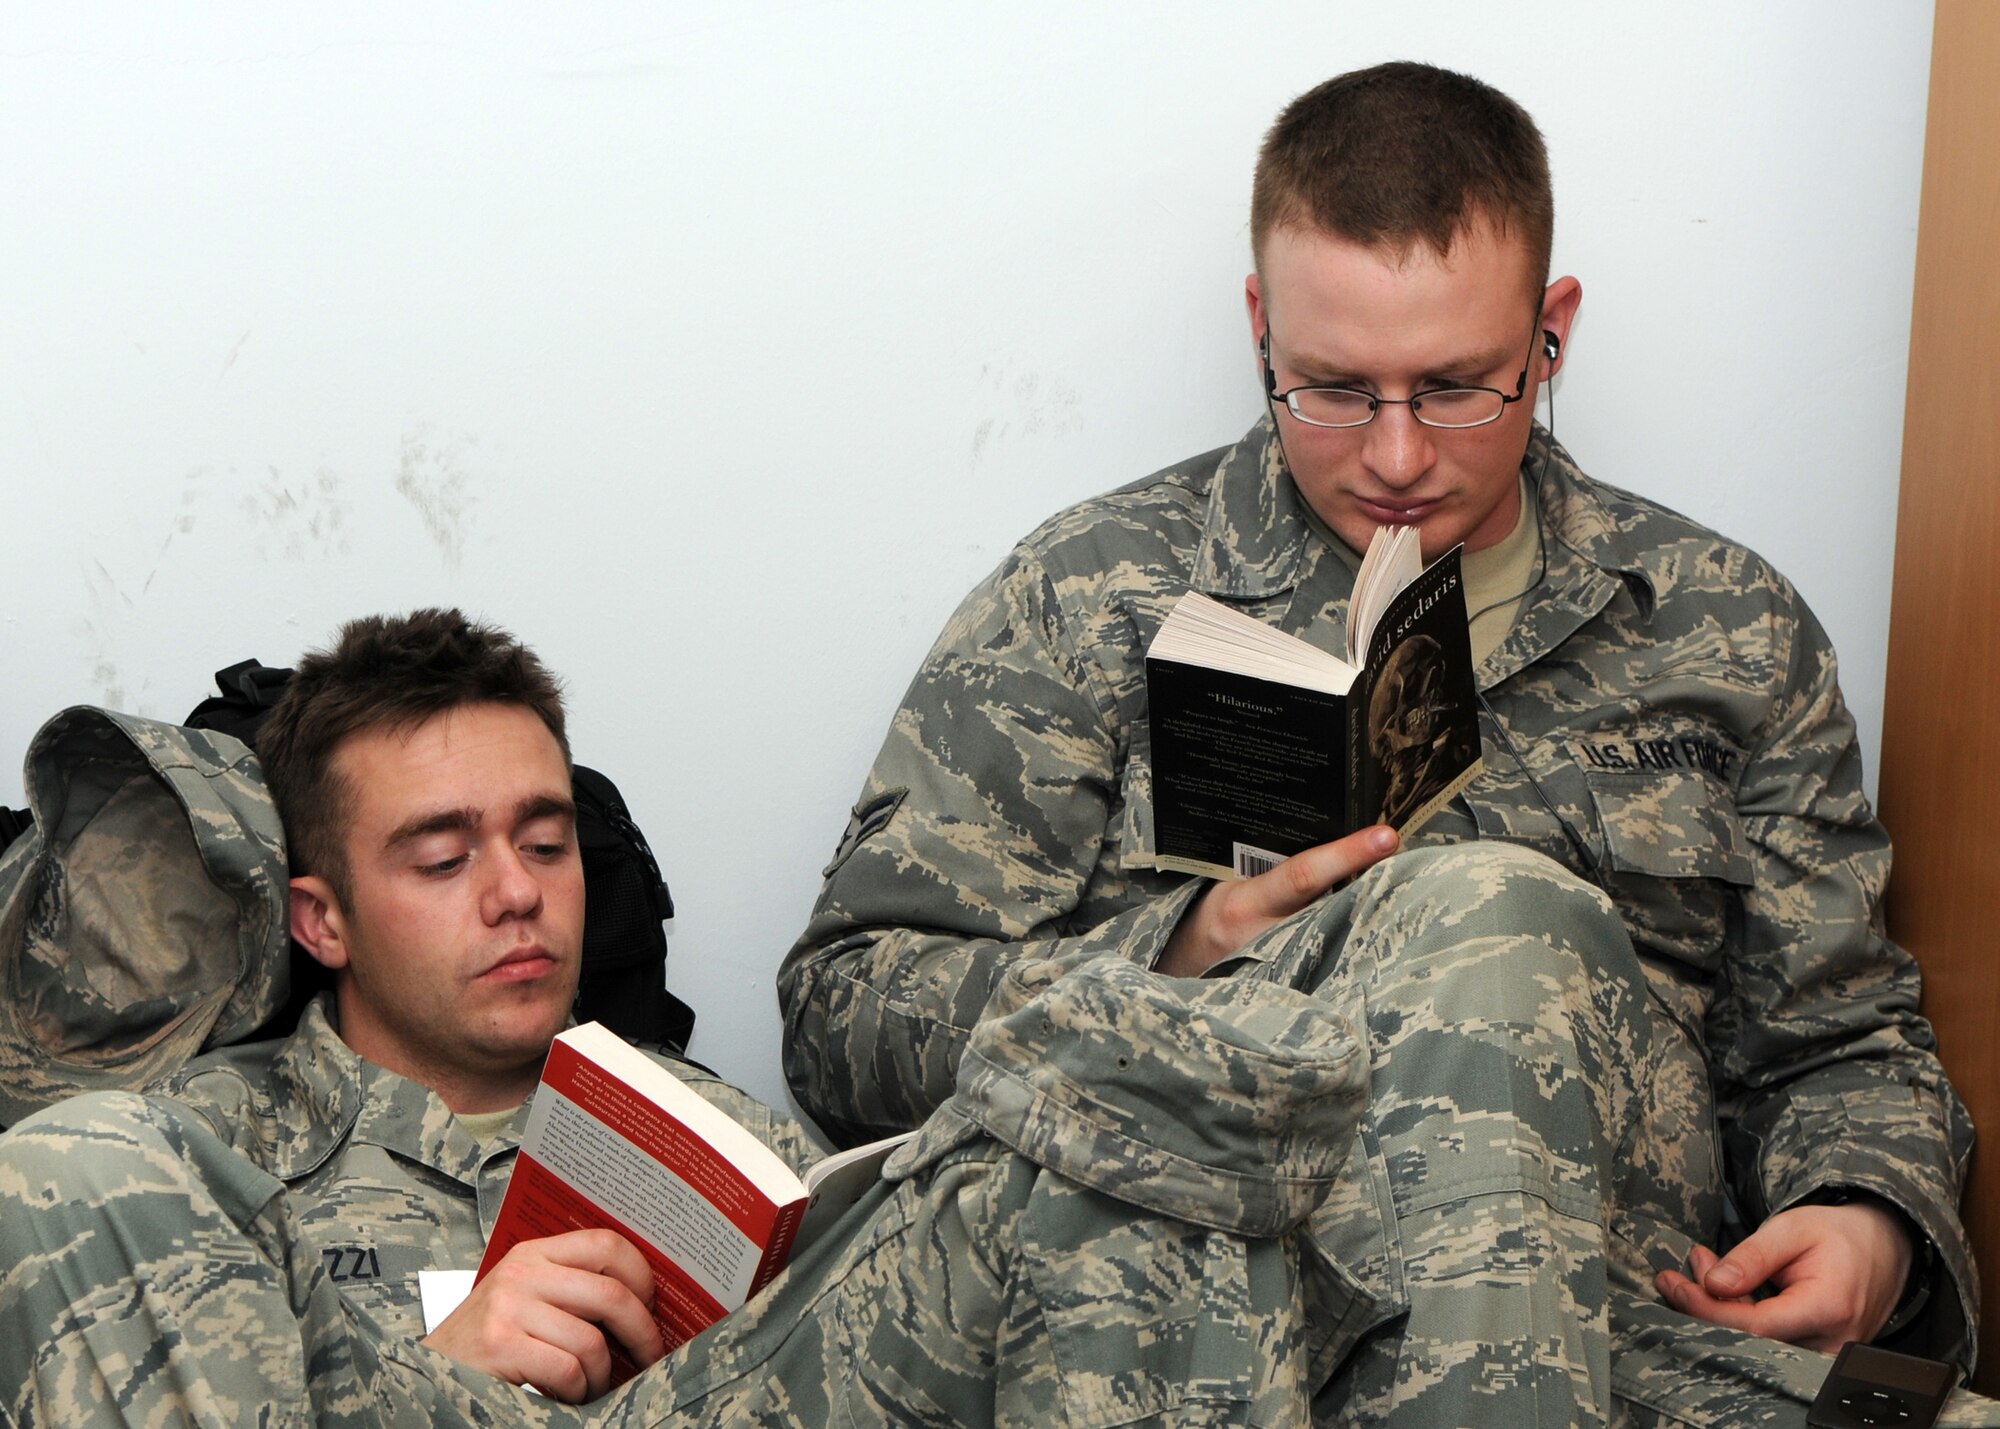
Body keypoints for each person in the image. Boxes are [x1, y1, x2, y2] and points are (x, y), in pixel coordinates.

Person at [779, 62, 1985, 1426]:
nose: (1399, 455)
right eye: (1336, 390)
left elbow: (1841, 1038)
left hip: (1599, 1333)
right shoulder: (1093, 598)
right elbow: (846, 1016)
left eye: (1459, 386)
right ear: (1260, 327)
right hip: (1191, 1326)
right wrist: (1176, 957)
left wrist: (1866, 1218)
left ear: (1553, 330)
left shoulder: (1727, 631)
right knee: (1482, 912)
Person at [0, 608, 1376, 1427]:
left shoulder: (718, 1133)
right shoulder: (188, 1158)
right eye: (442, 858)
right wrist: (443, 1373)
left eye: (546, 843)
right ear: (322, 920)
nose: (516, 895)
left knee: (1098, 1129)